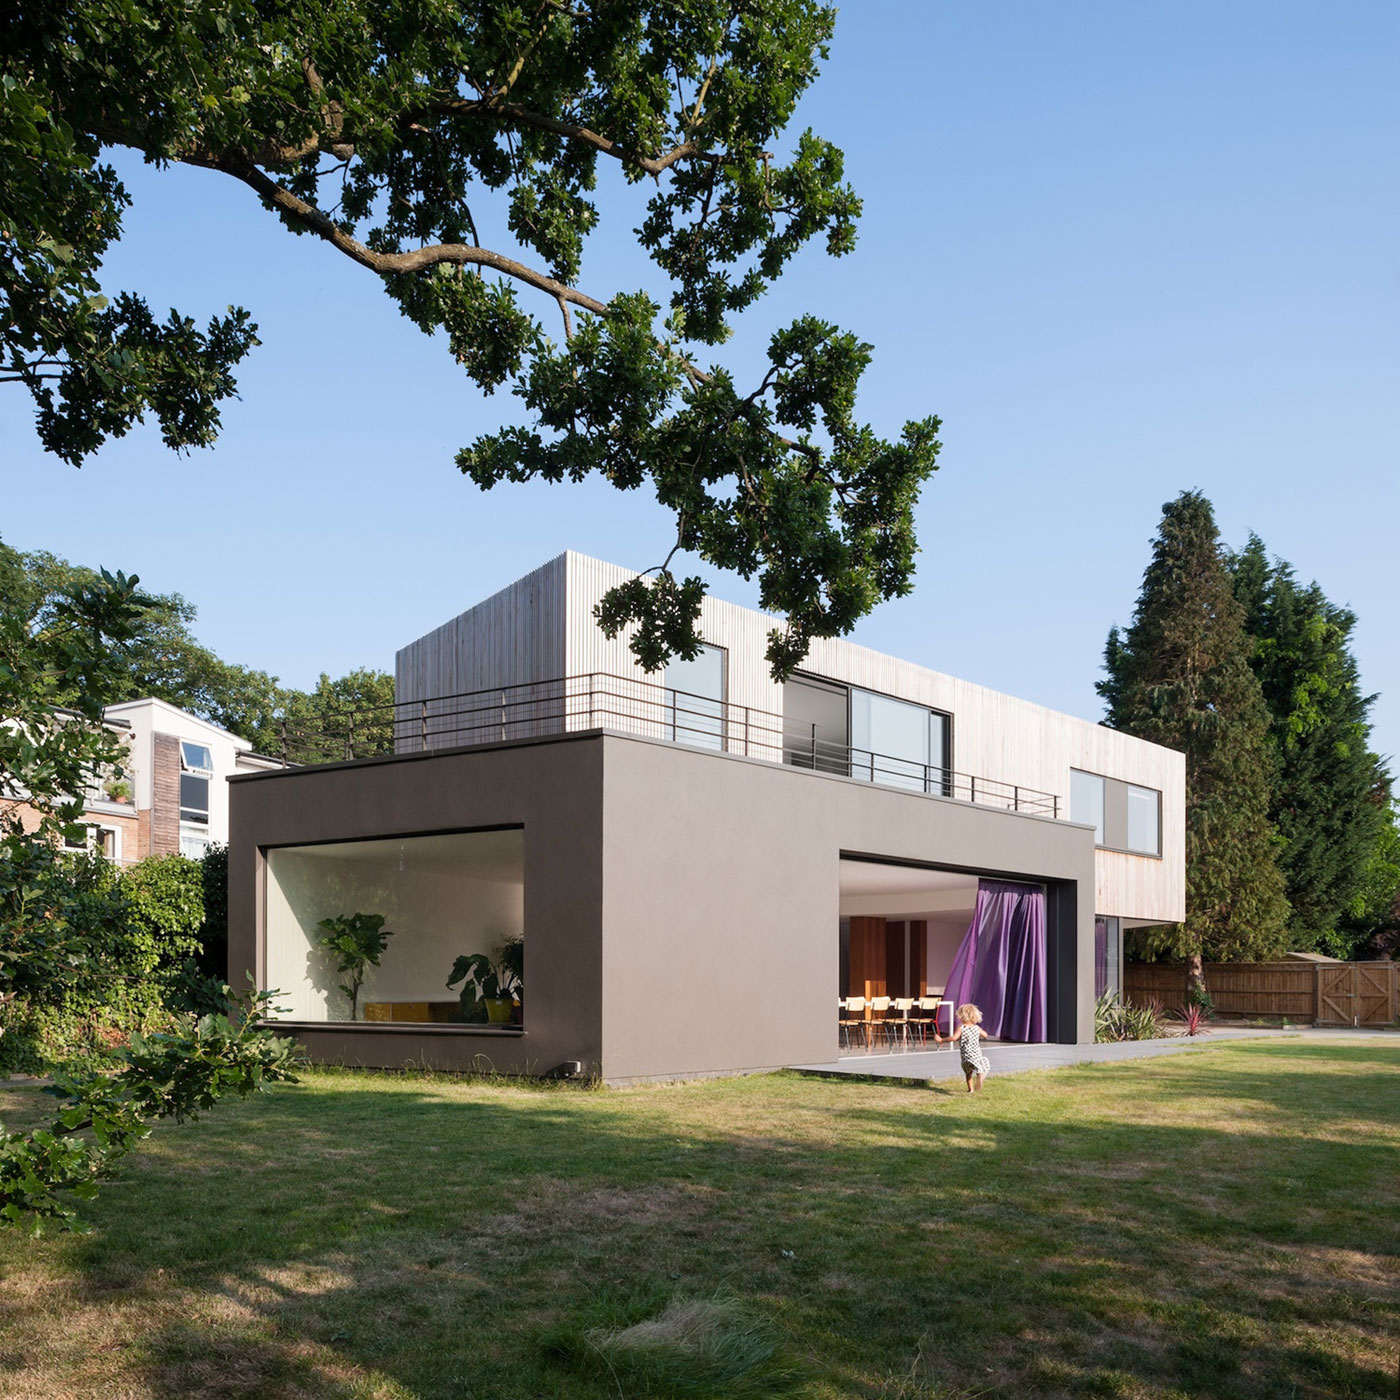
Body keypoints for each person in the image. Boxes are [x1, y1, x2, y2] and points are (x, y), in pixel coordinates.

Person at [938, 1002, 991, 1092]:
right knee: (981, 1066)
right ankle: (980, 1078)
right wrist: (981, 1034)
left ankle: (971, 1090)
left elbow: (954, 1038)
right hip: (976, 1054)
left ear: (962, 1016)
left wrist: (942, 1040)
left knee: (968, 1073)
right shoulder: (976, 1028)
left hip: (966, 1055)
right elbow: (985, 1035)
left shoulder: (961, 1028)